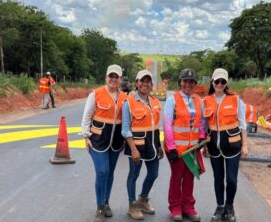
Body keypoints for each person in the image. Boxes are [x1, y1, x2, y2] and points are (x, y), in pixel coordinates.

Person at [81, 64, 128, 222]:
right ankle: (100, 206)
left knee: (110, 173)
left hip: (115, 143)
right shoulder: (96, 94)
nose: (113, 79)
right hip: (97, 141)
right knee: (102, 171)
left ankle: (106, 201)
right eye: (111, 76)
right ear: (106, 77)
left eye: (116, 77)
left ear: (120, 79)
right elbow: (87, 116)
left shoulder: (125, 98)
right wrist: (86, 136)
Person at [203, 68, 248, 222]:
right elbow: (204, 126)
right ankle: (220, 206)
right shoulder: (206, 101)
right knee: (218, 178)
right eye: (217, 81)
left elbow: (242, 124)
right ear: (212, 82)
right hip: (214, 147)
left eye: (223, 82)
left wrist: (245, 146)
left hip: (233, 146)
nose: (220, 84)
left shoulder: (236, 100)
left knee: (231, 179)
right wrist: (204, 146)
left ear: (226, 83)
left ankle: (229, 206)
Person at [163, 68, 206, 222]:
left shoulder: (198, 100)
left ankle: (188, 207)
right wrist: (172, 147)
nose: (188, 84)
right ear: (180, 82)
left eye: (191, 81)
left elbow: (201, 121)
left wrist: (201, 137)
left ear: (195, 83)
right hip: (177, 149)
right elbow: (167, 124)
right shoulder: (172, 100)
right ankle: (175, 208)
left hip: (192, 148)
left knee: (189, 177)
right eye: (185, 81)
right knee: (177, 177)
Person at [121, 70, 164, 220]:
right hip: (136, 147)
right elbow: (125, 129)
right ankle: (132, 206)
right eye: (142, 81)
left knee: (154, 174)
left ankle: (143, 199)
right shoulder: (129, 103)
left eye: (148, 81)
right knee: (134, 175)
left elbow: (156, 127)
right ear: (136, 83)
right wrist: (133, 149)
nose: (145, 84)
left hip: (152, 145)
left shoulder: (156, 102)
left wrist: (159, 146)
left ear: (152, 85)